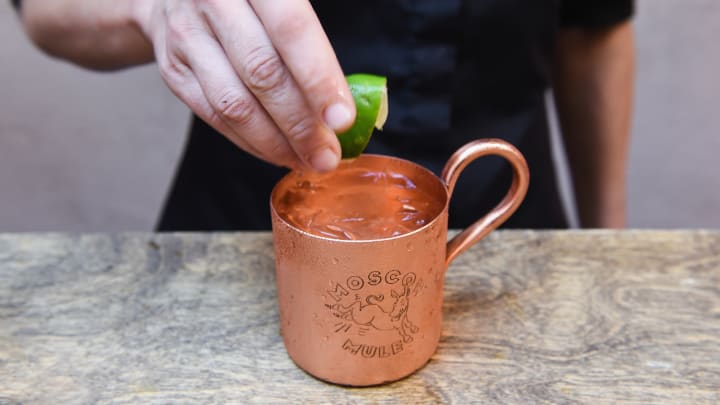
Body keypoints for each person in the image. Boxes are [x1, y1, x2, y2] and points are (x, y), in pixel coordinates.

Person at [12, 0, 635, 230]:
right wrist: (153, 10)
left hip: (504, 230)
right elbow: (44, 11)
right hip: (242, 229)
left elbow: (594, 31)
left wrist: (608, 240)